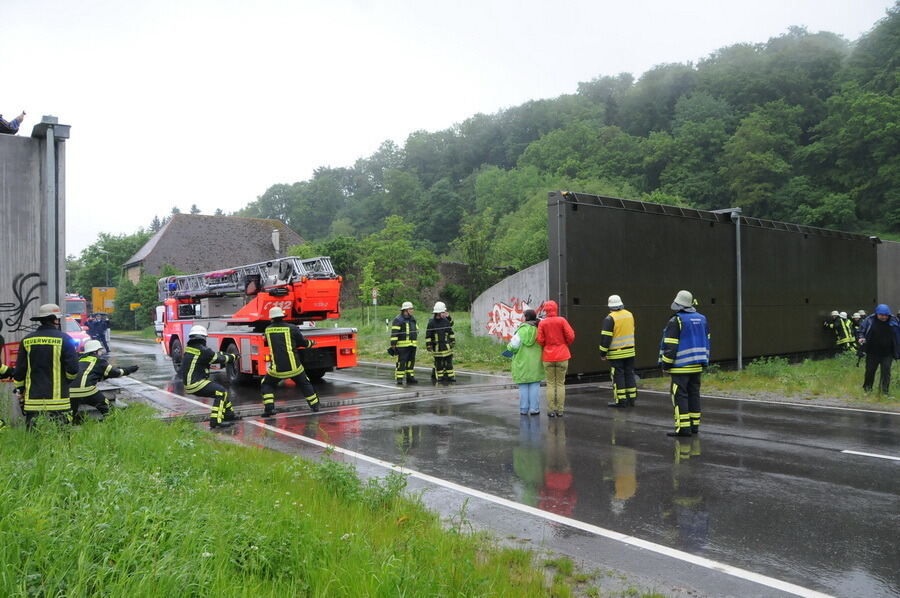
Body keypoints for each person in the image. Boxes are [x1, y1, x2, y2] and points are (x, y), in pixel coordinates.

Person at [12, 303, 80, 428]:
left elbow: (19, 371)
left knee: (34, 436)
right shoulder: (65, 339)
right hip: (59, 401)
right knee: (61, 435)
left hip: (33, 401)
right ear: (55, 320)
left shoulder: (27, 340)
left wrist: (20, 389)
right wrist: (66, 381)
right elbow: (73, 369)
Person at [658, 290, 710, 438]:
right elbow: (707, 341)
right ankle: (694, 426)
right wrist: (705, 361)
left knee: (679, 396)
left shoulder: (677, 321)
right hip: (697, 365)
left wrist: (665, 365)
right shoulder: (702, 319)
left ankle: (683, 428)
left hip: (680, 367)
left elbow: (670, 346)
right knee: (694, 394)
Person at [260, 306, 320, 416]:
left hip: (276, 370)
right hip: (295, 368)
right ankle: (315, 406)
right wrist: (311, 343)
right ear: (282, 316)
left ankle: (269, 409)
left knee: (266, 383)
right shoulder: (292, 328)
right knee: (305, 384)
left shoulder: (268, 330)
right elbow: (302, 343)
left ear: (271, 318)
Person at [181, 325, 239, 428]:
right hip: (196, 383)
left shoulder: (190, 349)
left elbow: (212, 355)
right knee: (221, 392)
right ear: (203, 338)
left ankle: (229, 415)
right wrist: (234, 356)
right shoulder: (203, 350)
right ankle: (216, 421)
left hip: (189, 384)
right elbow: (220, 359)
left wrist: (222, 353)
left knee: (222, 392)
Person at [70, 339, 139, 422]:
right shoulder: (99, 361)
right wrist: (129, 370)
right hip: (87, 390)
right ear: (95, 351)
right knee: (106, 406)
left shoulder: (80, 360)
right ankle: (111, 422)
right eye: (100, 350)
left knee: (72, 412)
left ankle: (75, 422)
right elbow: (115, 373)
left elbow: (93, 375)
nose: (101, 352)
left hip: (71, 392)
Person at [537, 300, 575, 417]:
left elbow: (540, 340)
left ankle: (551, 410)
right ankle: (560, 410)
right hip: (562, 355)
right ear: (556, 309)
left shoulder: (543, 323)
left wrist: (547, 345)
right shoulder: (562, 320)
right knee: (560, 384)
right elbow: (571, 336)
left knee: (550, 384)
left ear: (545, 310)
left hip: (548, 356)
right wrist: (565, 343)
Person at [599, 294, 637, 408]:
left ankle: (621, 401)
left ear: (610, 306)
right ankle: (631, 399)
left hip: (616, 353)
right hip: (630, 351)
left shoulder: (610, 318)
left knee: (618, 376)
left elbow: (606, 338)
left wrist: (602, 353)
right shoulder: (629, 314)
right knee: (629, 373)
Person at [856, 304, 900, 394]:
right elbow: (861, 331)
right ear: (877, 314)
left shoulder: (894, 320)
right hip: (872, 352)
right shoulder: (869, 320)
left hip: (888, 353)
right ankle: (867, 390)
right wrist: (861, 337)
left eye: (886, 315)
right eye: (882, 315)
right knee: (870, 371)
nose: (884, 317)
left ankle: (884, 392)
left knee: (886, 373)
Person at [507, 309, 543, 415]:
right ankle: (534, 409)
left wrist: (508, 348)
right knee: (534, 386)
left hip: (521, 362)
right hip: (536, 362)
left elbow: (513, 346)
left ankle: (524, 409)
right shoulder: (539, 330)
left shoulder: (521, 331)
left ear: (526, 317)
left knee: (523, 386)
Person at [425, 301, 456, 384]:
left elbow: (450, 331)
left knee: (449, 363)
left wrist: (453, 341)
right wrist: (428, 345)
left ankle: (451, 376)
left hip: (446, 346)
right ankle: (440, 377)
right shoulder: (431, 323)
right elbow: (428, 335)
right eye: (443, 312)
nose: (444, 314)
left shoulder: (446, 321)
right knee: (439, 363)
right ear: (438, 313)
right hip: (437, 347)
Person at [389, 301, 418, 385]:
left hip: (412, 344)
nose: (412, 310)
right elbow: (394, 333)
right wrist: (393, 344)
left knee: (411, 361)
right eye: (411, 309)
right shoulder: (398, 319)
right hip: (402, 346)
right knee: (402, 362)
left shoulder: (413, 319)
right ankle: (399, 378)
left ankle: (410, 377)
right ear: (406, 310)